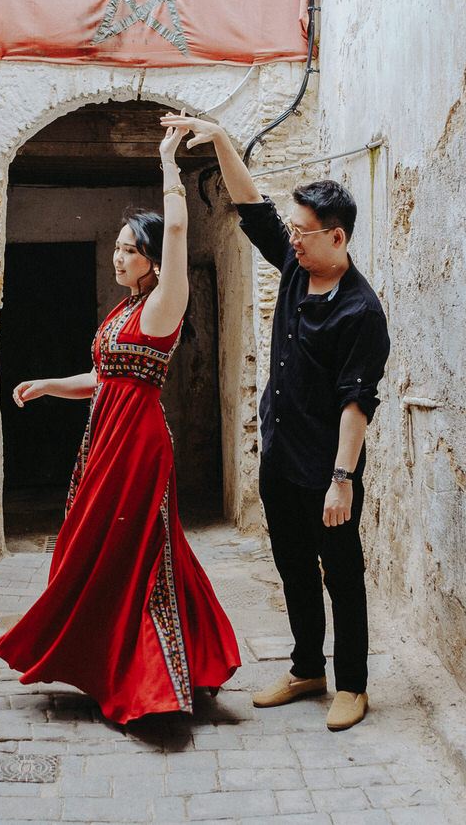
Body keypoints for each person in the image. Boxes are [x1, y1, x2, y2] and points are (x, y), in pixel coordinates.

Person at [0, 127, 240, 724]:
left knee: (129, 550)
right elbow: (105, 379)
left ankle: (150, 679)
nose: (118, 256)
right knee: (109, 547)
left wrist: (168, 163)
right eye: (117, 247)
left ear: (154, 259)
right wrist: (50, 385)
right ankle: (131, 661)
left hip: (137, 444)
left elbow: (177, 230)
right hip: (105, 439)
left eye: (130, 249)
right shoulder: (124, 310)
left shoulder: (164, 304)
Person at [161, 113, 390, 731]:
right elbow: (253, 208)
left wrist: (342, 480)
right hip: (281, 458)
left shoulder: (361, 312)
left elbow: (357, 403)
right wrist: (221, 140)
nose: (293, 240)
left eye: (304, 233)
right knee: (292, 567)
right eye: (293, 231)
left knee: (342, 575)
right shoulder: (294, 268)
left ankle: (353, 684)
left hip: (327, 469)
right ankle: (307, 668)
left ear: (337, 237)